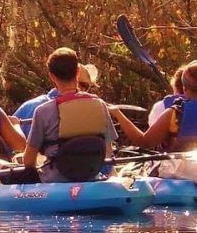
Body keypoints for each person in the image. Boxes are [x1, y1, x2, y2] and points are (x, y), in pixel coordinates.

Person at [8, 48, 118, 183]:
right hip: (91, 176)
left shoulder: (42, 111)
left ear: (52, 76)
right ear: (78, 72)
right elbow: (108, 152)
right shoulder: (100, 105)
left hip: (53, 182)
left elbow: (28, 162)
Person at [110, 60, 197, 151]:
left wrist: (118, 114)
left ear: (184, 87)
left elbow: (145, 142)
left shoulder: (174, 113)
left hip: (176, 174)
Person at [12, 63, 99, 133]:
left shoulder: (31, 106)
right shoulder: (94, 109)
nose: (85, 91)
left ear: (54, 78)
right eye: (84, 86)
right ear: (75, 81)